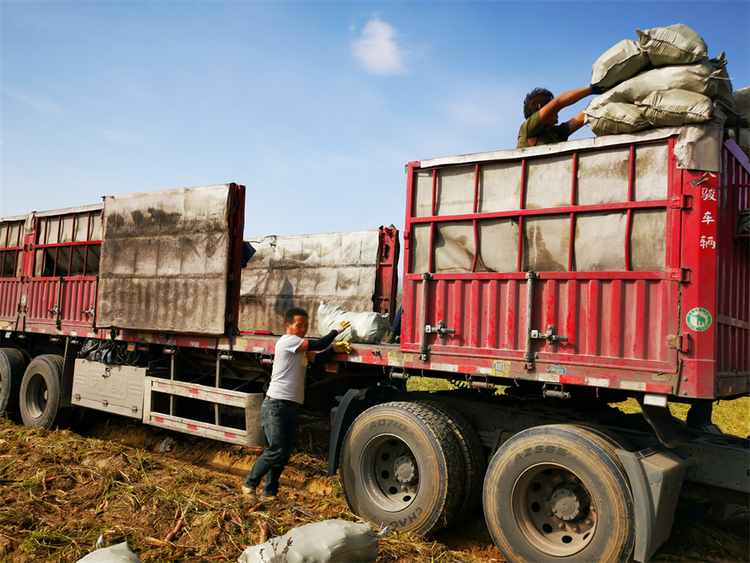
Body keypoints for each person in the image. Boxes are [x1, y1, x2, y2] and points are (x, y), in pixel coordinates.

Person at [241, 307, 349, 504]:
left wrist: (334, 350)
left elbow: (319, 357)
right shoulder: (288, 341)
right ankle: (249, 484)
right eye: (299, 326)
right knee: (277, 449)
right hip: (276, 405)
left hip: (290, 406)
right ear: (288, 326)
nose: (303, 329)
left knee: (283, 452)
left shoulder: (300, 348)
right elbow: (320, 343)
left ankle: (270, 493)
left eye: (306, 326)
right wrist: (335, 331)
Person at [517, 85, 606, 149]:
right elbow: (558, 103)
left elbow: (583, 116)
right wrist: (589, 89)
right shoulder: (528, 129)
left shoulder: (555, 134)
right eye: (550, 106)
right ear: (541, 107)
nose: (558, 112)